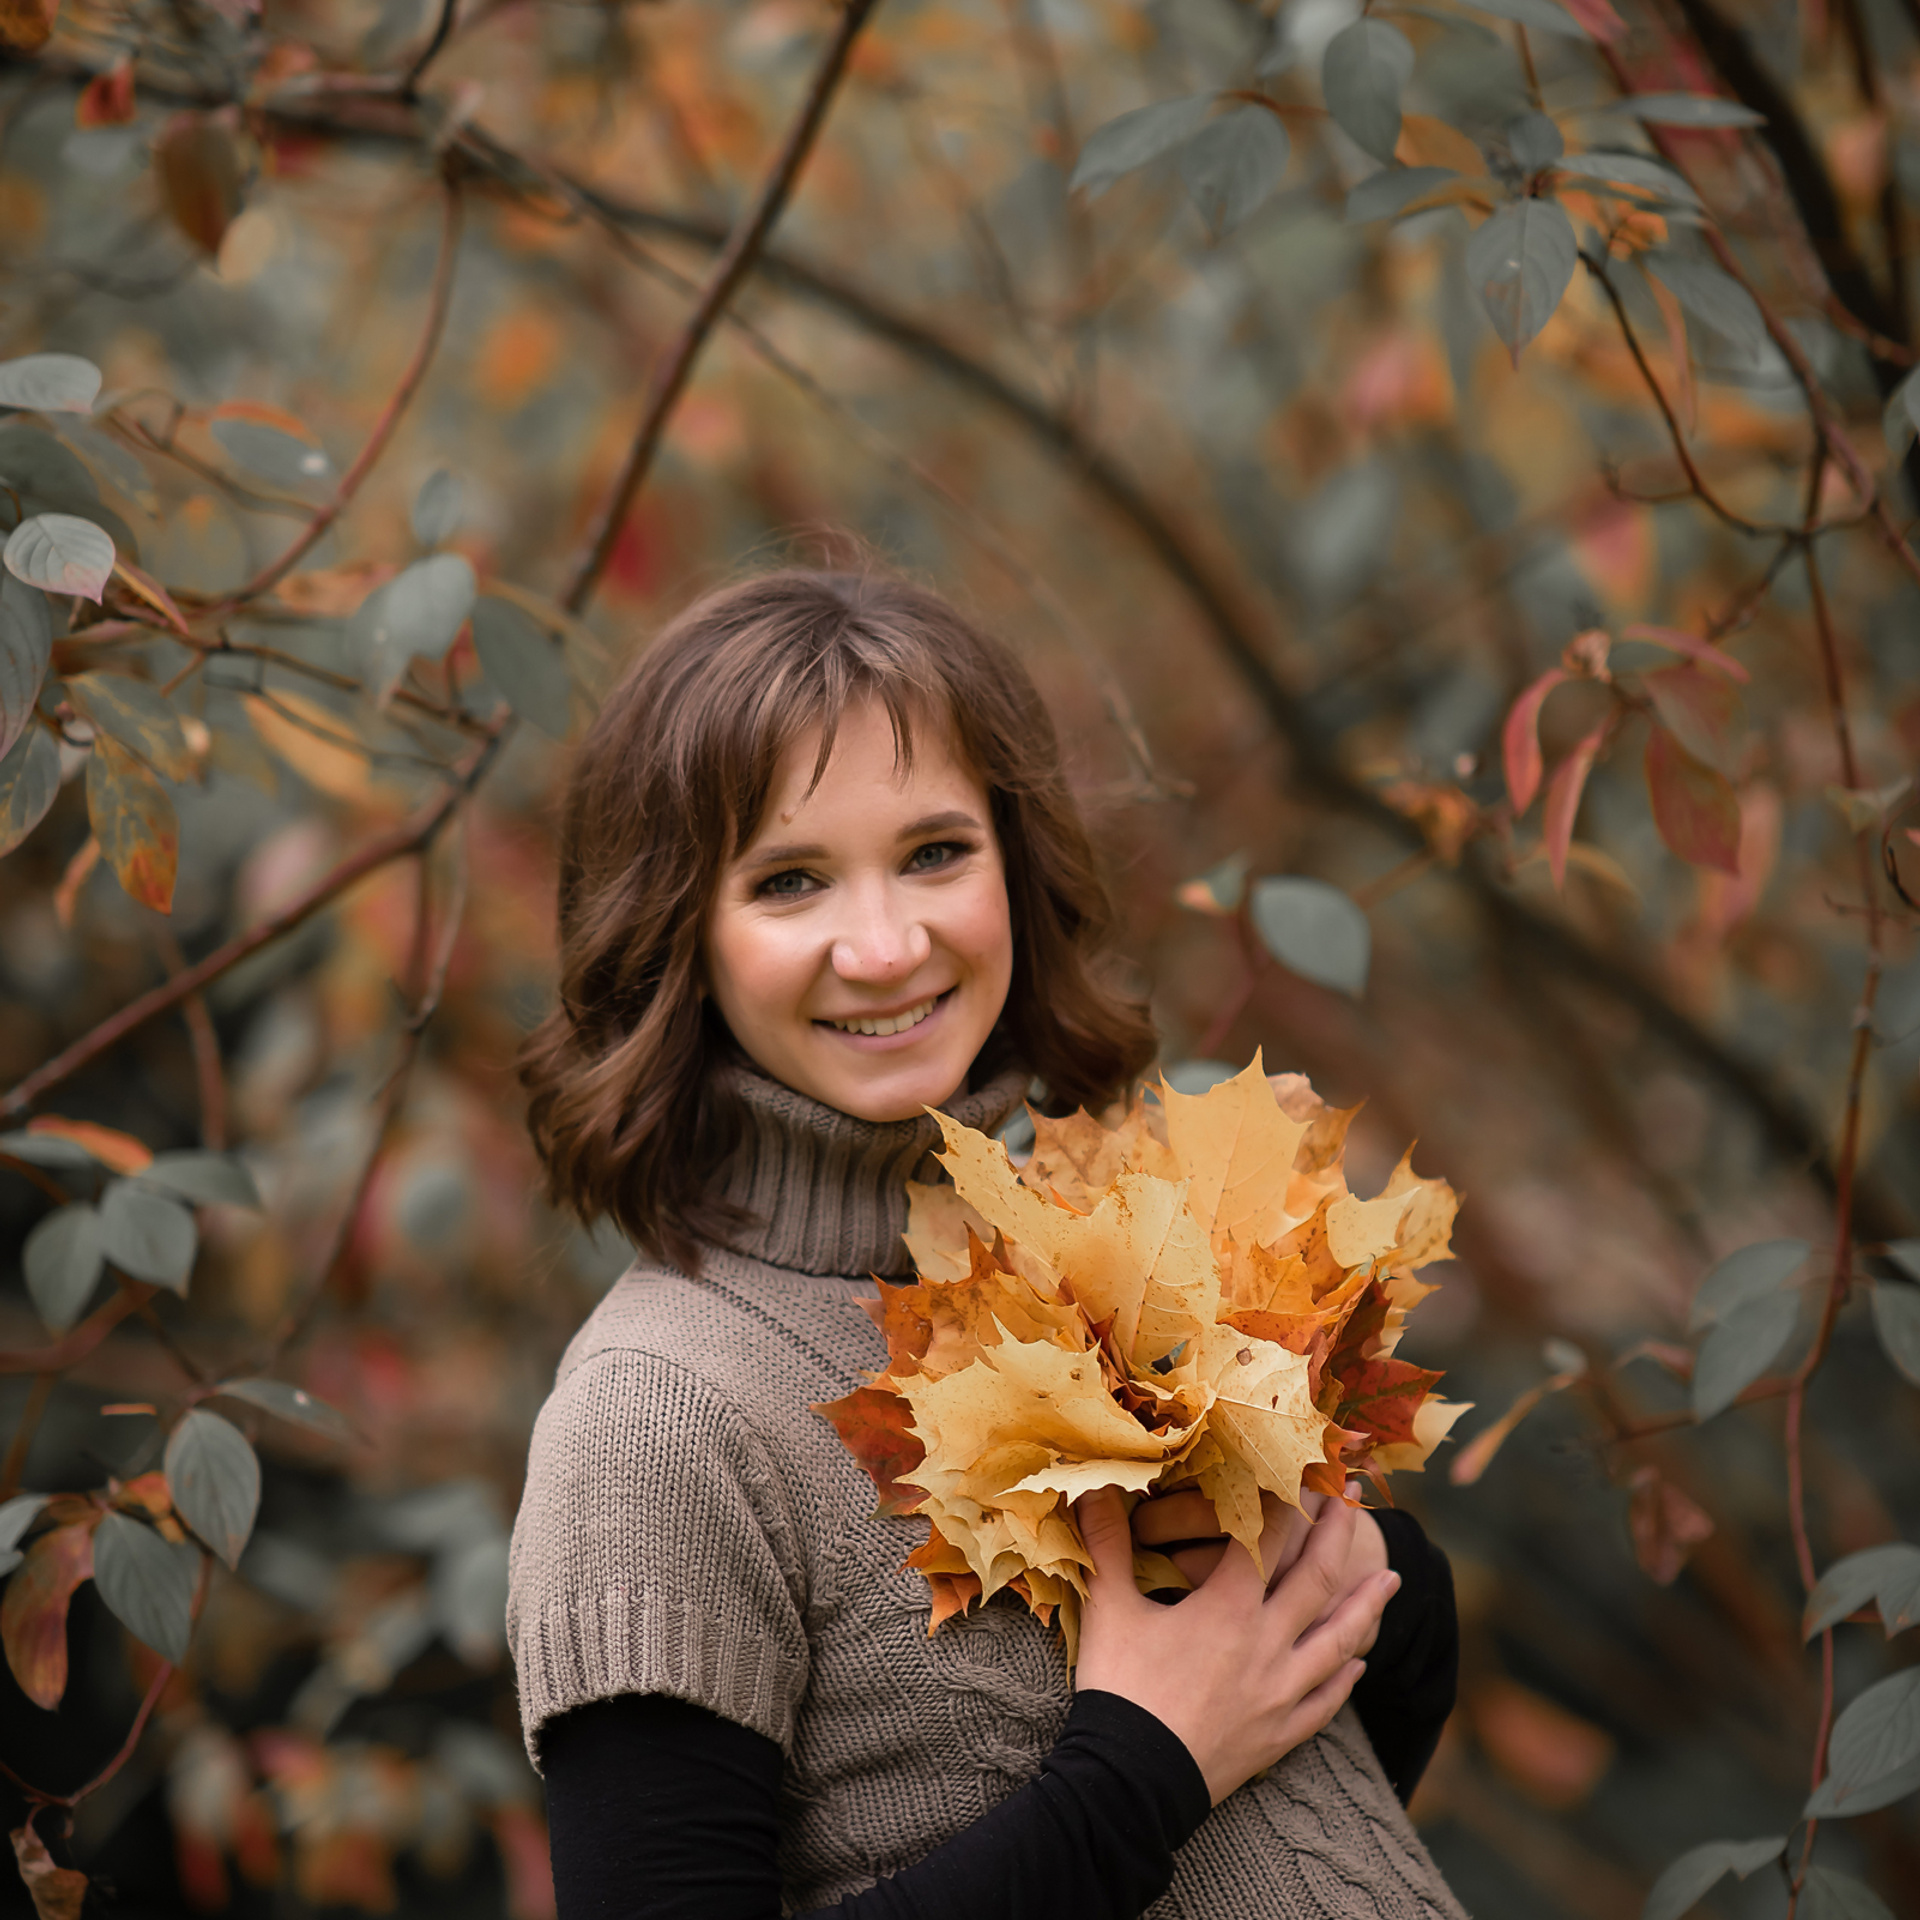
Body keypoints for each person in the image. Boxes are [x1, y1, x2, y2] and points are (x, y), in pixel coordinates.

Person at [507, 566, 1465, 1920]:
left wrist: (1372, 1585)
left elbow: (1290, 1801)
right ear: (676, 937)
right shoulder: (657, 1419)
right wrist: (1142, 1766)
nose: (887, 944)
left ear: (1016, 862)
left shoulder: (1097, 1260)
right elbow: (1162, 1784)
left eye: (936, 852)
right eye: (789, 882)